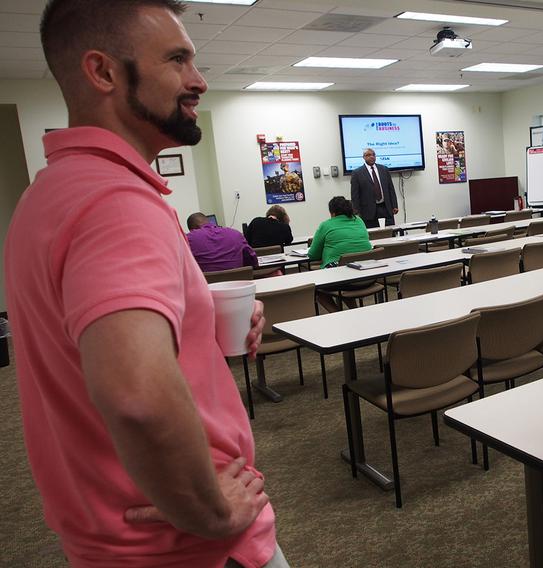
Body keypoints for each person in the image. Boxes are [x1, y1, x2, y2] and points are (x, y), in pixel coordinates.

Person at [4, 1, 285, 566]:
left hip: (108, 533)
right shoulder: (116, 203)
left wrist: (199, 318)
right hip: (190, 546)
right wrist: (206, 511)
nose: (198, 80)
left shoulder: (52, 192)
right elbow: (136, 393)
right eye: (177, 59)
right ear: (103, 72)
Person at [308, 196, 373, 312]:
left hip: (343, 279)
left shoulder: (326, 225)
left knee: (316, 289)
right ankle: (355, 312)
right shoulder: (359, 220)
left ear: (332, 213)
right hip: (367, 276)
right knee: (345, 274)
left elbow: (313, 255)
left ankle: (338, 314)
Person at [187, 212, 259, 272]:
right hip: (238, 284)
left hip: (207, 287)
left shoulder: (188, 239)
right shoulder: (235, 233)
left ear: (192, 229)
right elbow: (252, 260)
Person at [350, 147, 398, 228]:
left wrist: (394, 205)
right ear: (364, 157)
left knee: (390, 233)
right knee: (373, 236)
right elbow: (355, 195)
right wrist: (356, 211)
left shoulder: (384, 169)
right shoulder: (357, 173)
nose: (372, 156)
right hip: (368, 211)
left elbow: (390, 189)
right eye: (368, 155)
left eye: (373, 154)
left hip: (386, 208)